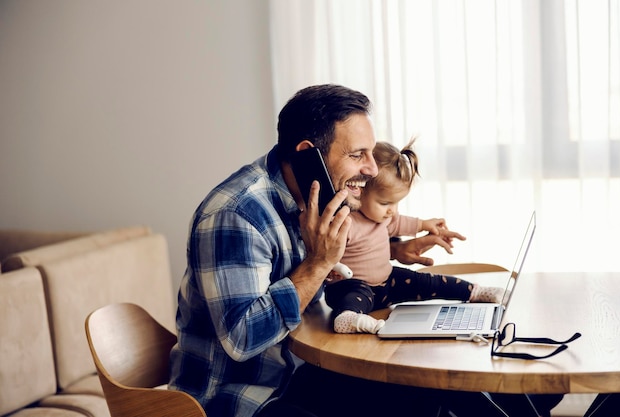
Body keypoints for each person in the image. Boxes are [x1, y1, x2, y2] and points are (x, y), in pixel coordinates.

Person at [168, 84, 561, 417]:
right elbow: (243, 340)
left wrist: (394, 250)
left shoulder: (316, 195)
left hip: (304, 371)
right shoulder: (236, 216)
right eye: (358, 155)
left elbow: (346, 257)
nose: (372, 169)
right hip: (249, 400)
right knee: (421, 393)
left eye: (371, 153)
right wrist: (319, 263)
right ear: (308, 153)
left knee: (436, 383)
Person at [325, 138, 505, 334]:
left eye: (396, 203)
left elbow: (401, 222)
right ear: (358, 190)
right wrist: (329, 269)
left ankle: (475, 292)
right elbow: (326, 251)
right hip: (353, 288)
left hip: (387, 283)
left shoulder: (384, 218)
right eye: (385, 203)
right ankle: (346, 318)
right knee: (355, 294)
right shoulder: (347, 223)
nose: (392, 211)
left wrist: (424, 224)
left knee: (427, 281)